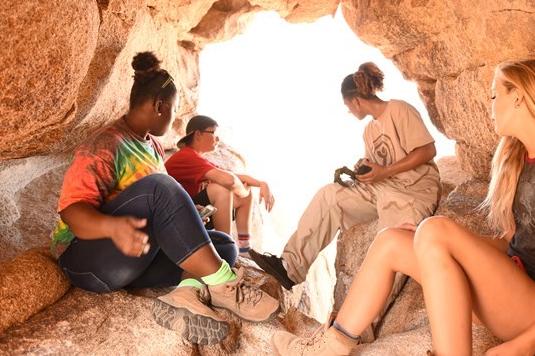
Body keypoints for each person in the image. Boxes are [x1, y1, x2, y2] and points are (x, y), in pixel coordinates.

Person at [271, 59, 535, 356]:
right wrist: (434, 241)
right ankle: (329, 347)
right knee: (391, 240)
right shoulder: (519, 159)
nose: (489, 104)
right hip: (513, 287)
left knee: (433, 230)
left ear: (519, 96)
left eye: (495, 95)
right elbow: (513, 242)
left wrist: (524, 345)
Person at [50, 52, 279, 346]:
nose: (175, 119)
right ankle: (225, 284)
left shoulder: (152, 146)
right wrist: (113, 228)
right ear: (159, 106)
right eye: (174, 110)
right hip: (87, 262)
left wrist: (187, 214)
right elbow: (72, 212)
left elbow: (159, 207)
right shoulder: (106, 144)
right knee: (160, 185)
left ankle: (184, 295)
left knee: (223, 245)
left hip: (135, 258)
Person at [249, 61, 441, 340]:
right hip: (383, 188)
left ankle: (359, 329)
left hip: (412, 191)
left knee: (390, 243)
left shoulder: (398, 109)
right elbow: (378, 165)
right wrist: (359, 171)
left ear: (355, 100)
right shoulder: (369, 130)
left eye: (347, 105)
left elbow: (427, 150)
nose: (349, 110)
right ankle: (290, 268)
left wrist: (384, 171)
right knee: (330, 195)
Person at [165, 115, 275, 257]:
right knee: (222, 190)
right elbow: (230, 181)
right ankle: (226, 248)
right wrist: (243, 192)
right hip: (175, 219)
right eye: (214, 134)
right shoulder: (187, 156)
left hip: (195, 213)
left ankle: (244, 250)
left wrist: (262, 184)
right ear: (198, 134)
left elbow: (235, 176)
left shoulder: (200, 159)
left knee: (245, 197)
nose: (218, 139)